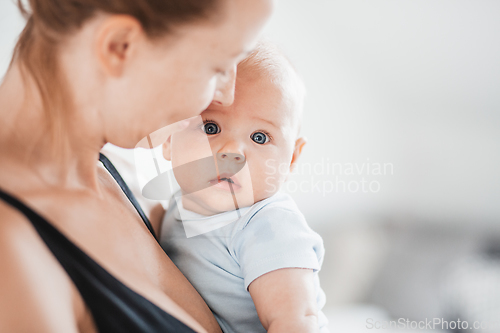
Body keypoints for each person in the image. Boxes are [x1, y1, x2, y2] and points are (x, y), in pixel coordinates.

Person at [0, 0, 273, 332]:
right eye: (218, 67)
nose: (226, 97)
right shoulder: (11, 253)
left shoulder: (132, 184)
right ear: (119, 46)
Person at [159, 42, 329, 332]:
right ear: (169, 135)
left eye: (260, 137)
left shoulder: (268, 225)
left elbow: (296, 321)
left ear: (291, 159)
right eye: (211, 127)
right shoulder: (179, 203)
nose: (232, 151)